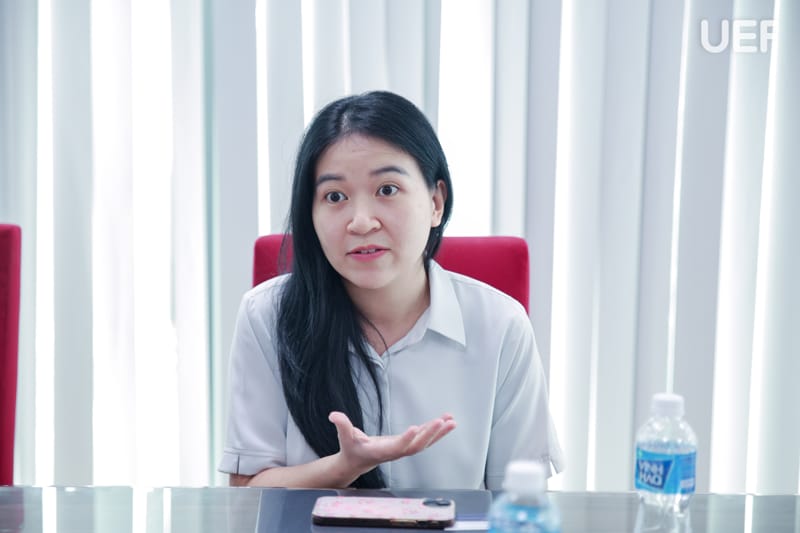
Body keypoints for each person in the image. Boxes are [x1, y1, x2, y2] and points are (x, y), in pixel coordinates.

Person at [218, 90, 563, 490]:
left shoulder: (501, 326)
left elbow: (521, 498)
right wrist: (342, 468)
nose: (361, 222)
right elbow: (246, 491)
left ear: (436, 202)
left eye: (387, 190)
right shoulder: (266, 316)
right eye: (335, 196)